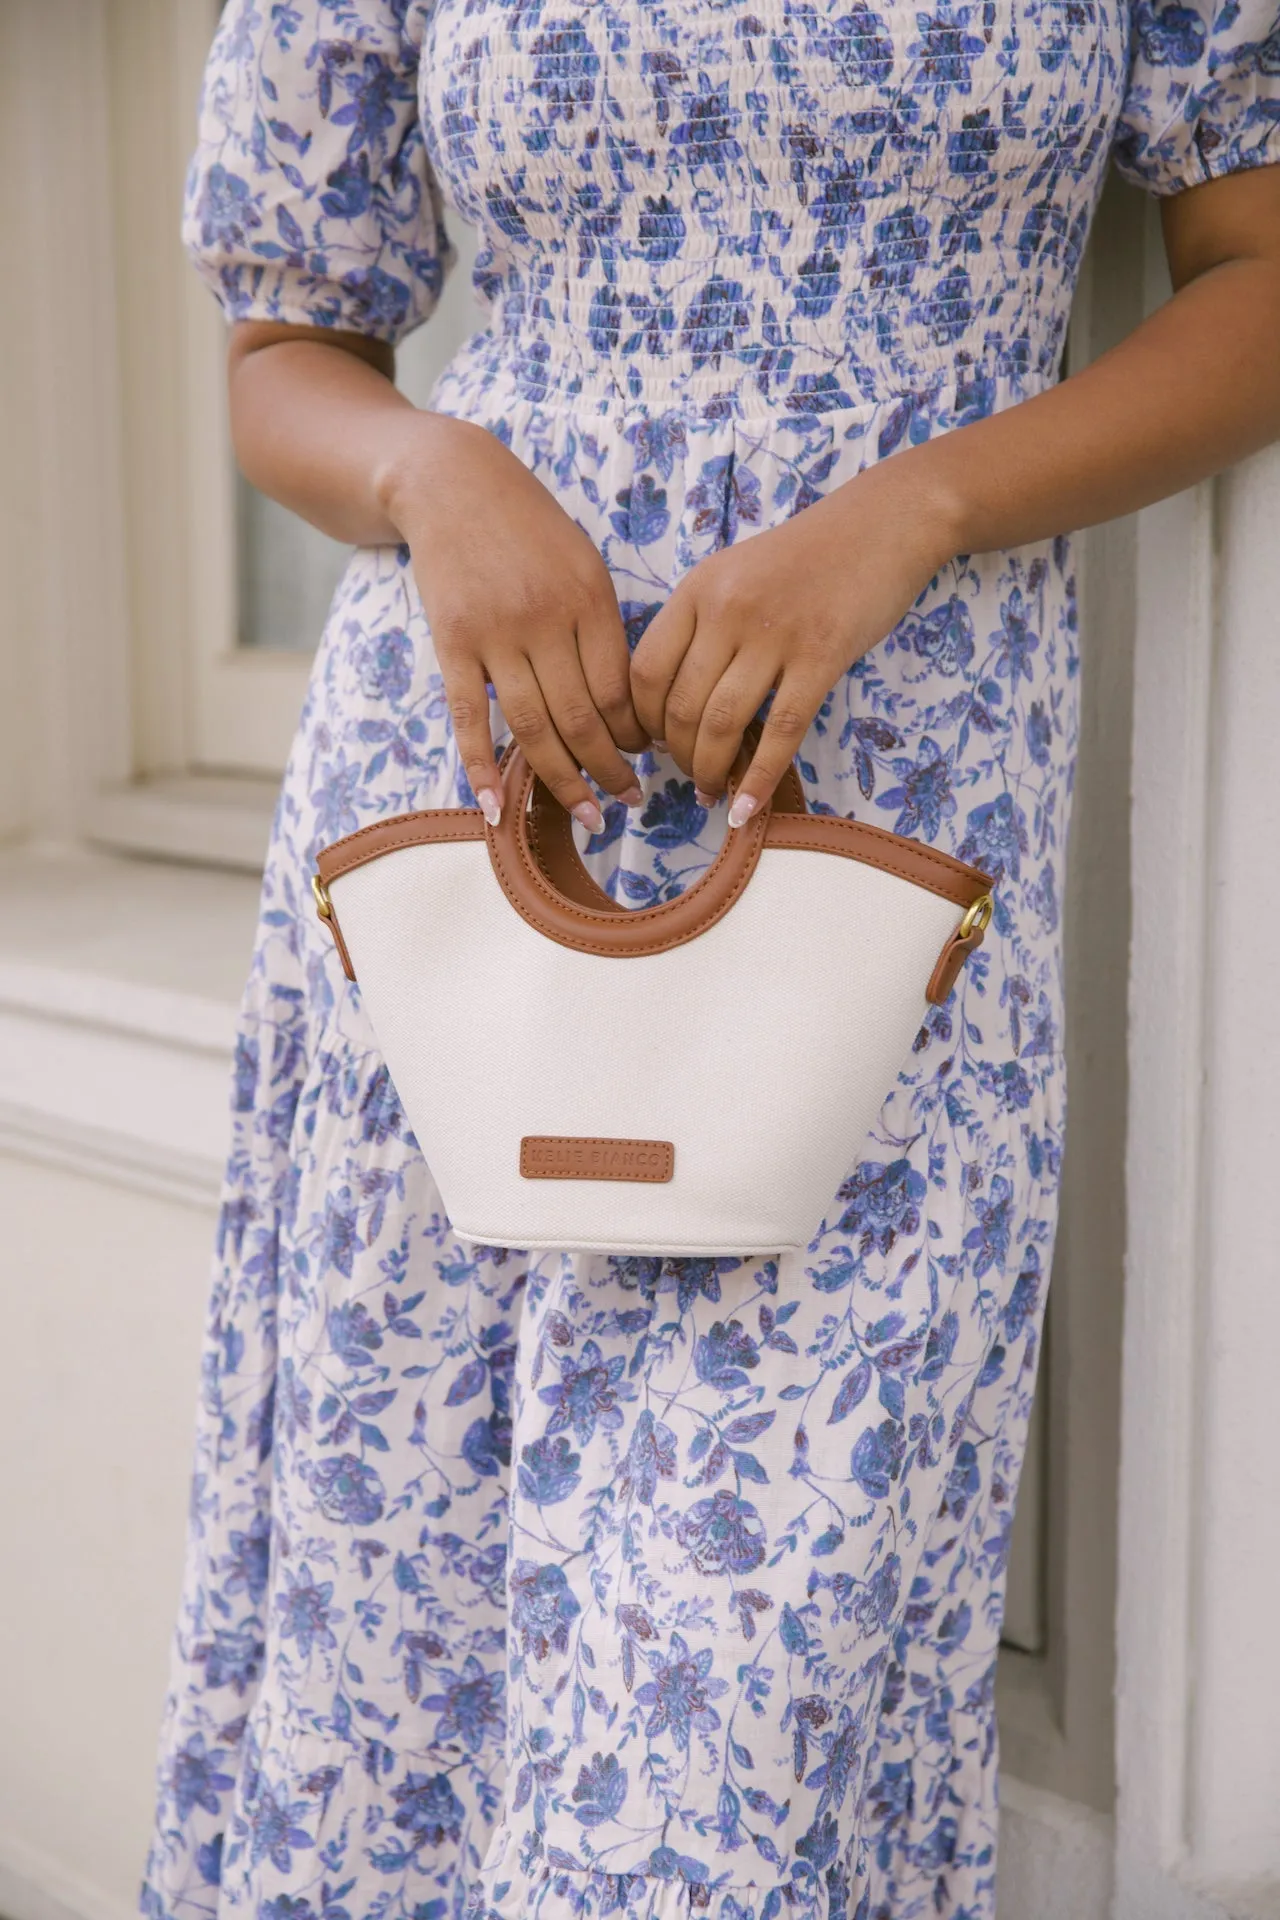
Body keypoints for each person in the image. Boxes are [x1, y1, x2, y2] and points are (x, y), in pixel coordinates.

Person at [141, 4, 1280, 1918]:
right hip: (466, 827)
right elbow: (285, 349)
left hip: (891, 844)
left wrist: (917, 507)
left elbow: (1258, 273)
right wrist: (435, 480)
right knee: (402, 1661)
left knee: (744, 1724)